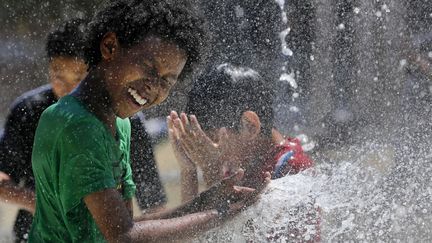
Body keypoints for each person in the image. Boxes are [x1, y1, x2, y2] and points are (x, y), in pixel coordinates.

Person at [29, 1, 268, 242]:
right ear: (110, 46)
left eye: (167, 81)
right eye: (148, 67)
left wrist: (203, 202)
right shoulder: (77, 124)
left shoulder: (120, 122)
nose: (153, 85)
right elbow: (124, 237)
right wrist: (217, 214)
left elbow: (124, 224)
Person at [167, 64, 319, 241]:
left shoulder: (291, 168)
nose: (205, 150)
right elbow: (191, 237)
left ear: (249, 126)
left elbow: (224, 237)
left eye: (212, 139)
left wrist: (211, 168)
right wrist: (188, 170)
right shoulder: (241, 160)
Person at [0, 18, 88, 242]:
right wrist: (36, 203)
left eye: (78, 79)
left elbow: (153, 204)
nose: (68, 91)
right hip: (33, 232)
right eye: (59, 78)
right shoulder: (27, 112)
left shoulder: (124, 119)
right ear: (49, 71)